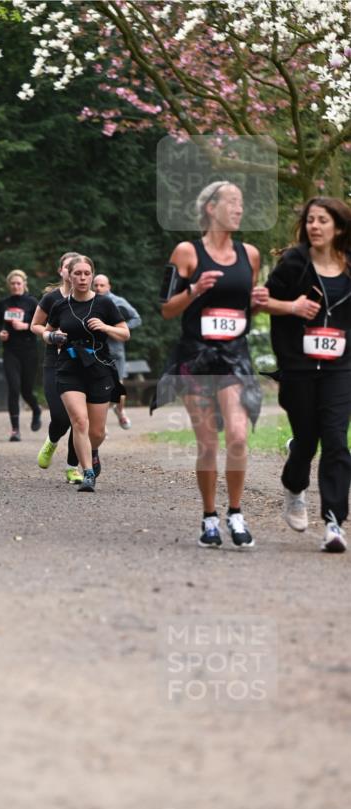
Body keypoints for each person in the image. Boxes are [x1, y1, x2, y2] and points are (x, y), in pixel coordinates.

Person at [155, 180, 268, 547]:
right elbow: (166, 309)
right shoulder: (186, 252)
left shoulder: (250, 254)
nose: (238, 208)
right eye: (231, 202)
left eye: (241, 202)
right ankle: (209, 519)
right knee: (207, 443)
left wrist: (260, 300)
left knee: (237, 436)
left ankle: (236, 512)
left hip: (234, 357)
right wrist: (194, 290)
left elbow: (245, 305)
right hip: (196, 357)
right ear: (210, 208)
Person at [263, 196, 351, 553]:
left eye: (322, 220)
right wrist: (293, 307)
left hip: (340, 367)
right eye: (310, 219)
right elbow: (262, 300)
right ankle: (294, 486)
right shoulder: (294, 263)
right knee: (307, 441)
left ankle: (334, 523)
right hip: (298, 366)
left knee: (335, 441)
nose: (314, 226)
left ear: (339, 228)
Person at [44, 255, 129, 492]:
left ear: (92, 275)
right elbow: (45, 331)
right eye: (77, 273)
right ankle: (87, 473)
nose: (82, 278)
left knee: (97, 431)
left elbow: (125, 333)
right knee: (79, 421)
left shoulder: (105, 304)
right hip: (68, 367)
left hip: (98, 367)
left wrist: (105, 327)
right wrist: (52, 337)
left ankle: (93, 450)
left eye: (86, 273)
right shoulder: (60, 305)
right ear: (68, 275)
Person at [31, 252, 83, 484]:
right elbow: (35, 325)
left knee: (78, 419)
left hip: (83, 362)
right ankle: (52, 441)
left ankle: (73, 468)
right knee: (61, 417)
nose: (75, 274)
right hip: (55, 361)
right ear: (62, 271)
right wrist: (50, 335)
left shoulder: (91, 299)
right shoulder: (52, 299)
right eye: (68, 268)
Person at [0, 270, 41, 441]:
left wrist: (25, 326)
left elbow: (41, 324)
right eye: (12, 283)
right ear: (9, 285)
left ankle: (36, 409)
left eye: (18, 283)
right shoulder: (4, 303)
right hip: (10, 351)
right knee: (13, 389)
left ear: (24, 284)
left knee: (26, 390)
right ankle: (15, 430)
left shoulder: (32, 302)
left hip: (29, 351)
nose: (15, 286)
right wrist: (0, 333)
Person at [92, 273, 142, 429]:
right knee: (98, 389)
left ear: (109, 286)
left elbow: (136, 319)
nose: (99, 288)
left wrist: (118, 329)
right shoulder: (87, 302)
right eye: (96, 285)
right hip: (94, 351)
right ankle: (100, 424)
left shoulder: (118, 302)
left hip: (115, 352)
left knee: (119, 390)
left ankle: (120, 412)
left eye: (102, 285)